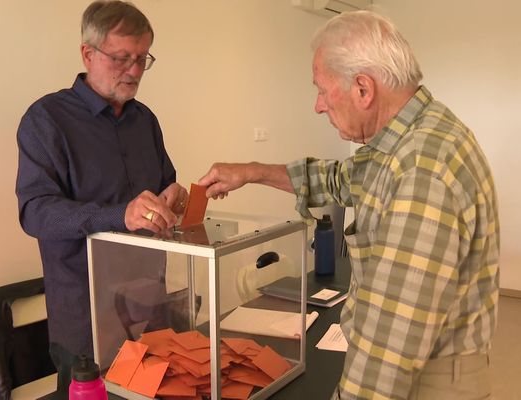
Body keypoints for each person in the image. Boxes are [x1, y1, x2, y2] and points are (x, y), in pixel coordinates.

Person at [199, 10, 499, 400]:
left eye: (322, 90)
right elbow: (337, 179)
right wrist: (252, 171)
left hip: (426, 382)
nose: (318, 106)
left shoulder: (422, 170)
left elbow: (391, 346)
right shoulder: (407, 139)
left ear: (363, 88)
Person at [15, 0, 188, 393]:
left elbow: (164, 185)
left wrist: (172, 195)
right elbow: (36, 212)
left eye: (143, 58)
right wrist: (118, 215)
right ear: (87, 54)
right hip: (85, 320)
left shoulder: (145, 120)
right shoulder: (46, 120)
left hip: (149, 309)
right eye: (122, 57)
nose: (134, 70)